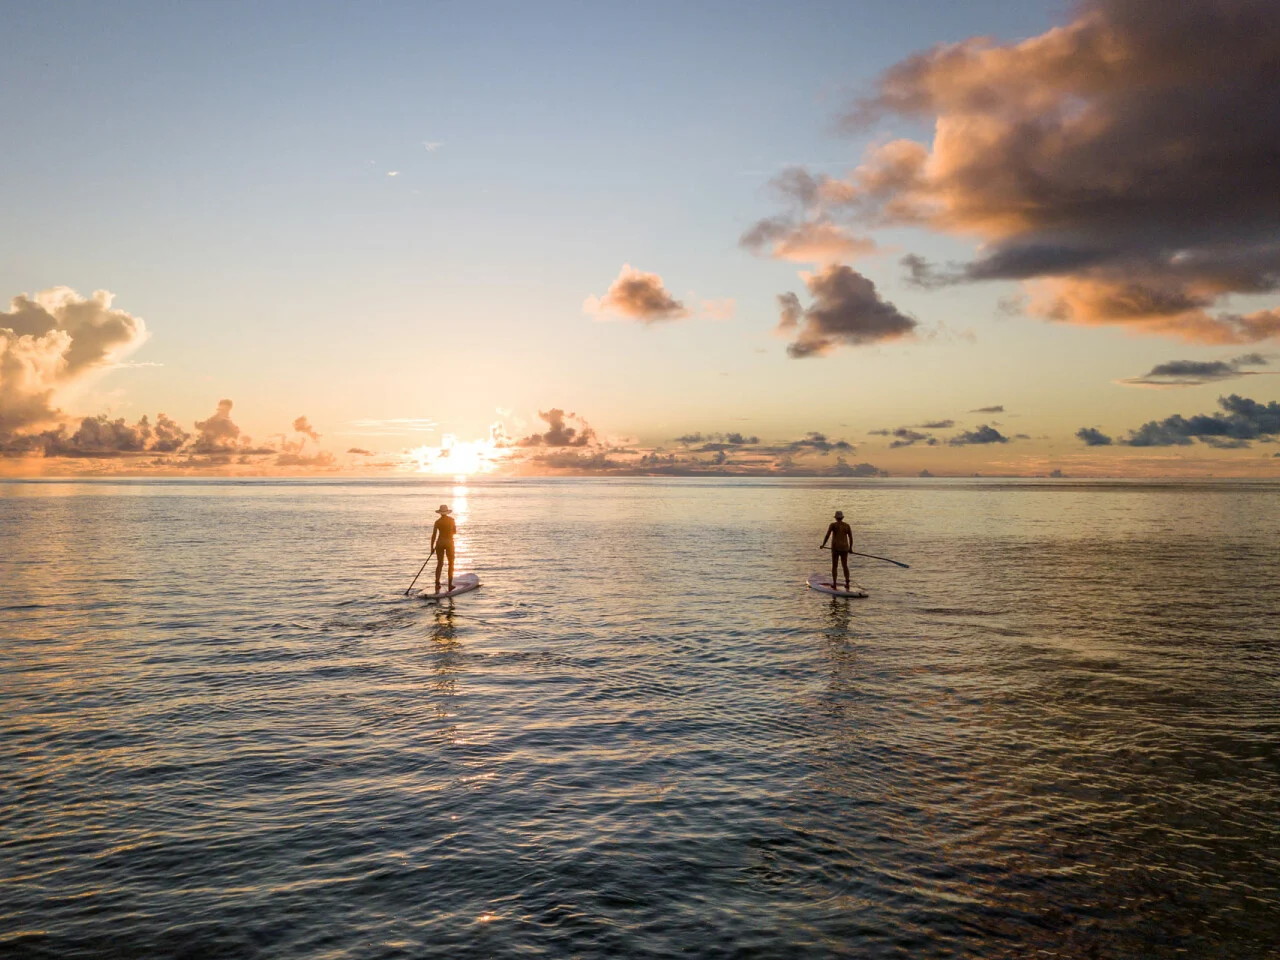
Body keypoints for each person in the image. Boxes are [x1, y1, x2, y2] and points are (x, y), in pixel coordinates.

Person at [821, 510, 854, 591]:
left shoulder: (833, 525)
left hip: (836, 548)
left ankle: (834, 584)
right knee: (845, 565)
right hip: (845, 548)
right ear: (842, 518)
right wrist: (850, 548)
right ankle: (847, 583)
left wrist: (823, 545)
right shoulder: (847, 526)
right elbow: (850, 538)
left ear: (836, 518)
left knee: (835, 566)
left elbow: (827, 535)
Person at [430, 504, 457, 593]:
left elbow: (434, 535)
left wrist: (431, 548)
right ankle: (450, 585)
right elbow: (454, 532)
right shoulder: (452, 520)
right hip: (449, 543)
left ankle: (437, 584)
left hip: (439, 543)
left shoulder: (437, 522)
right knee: (451, 563)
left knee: (440, 563)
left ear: (440, 513)